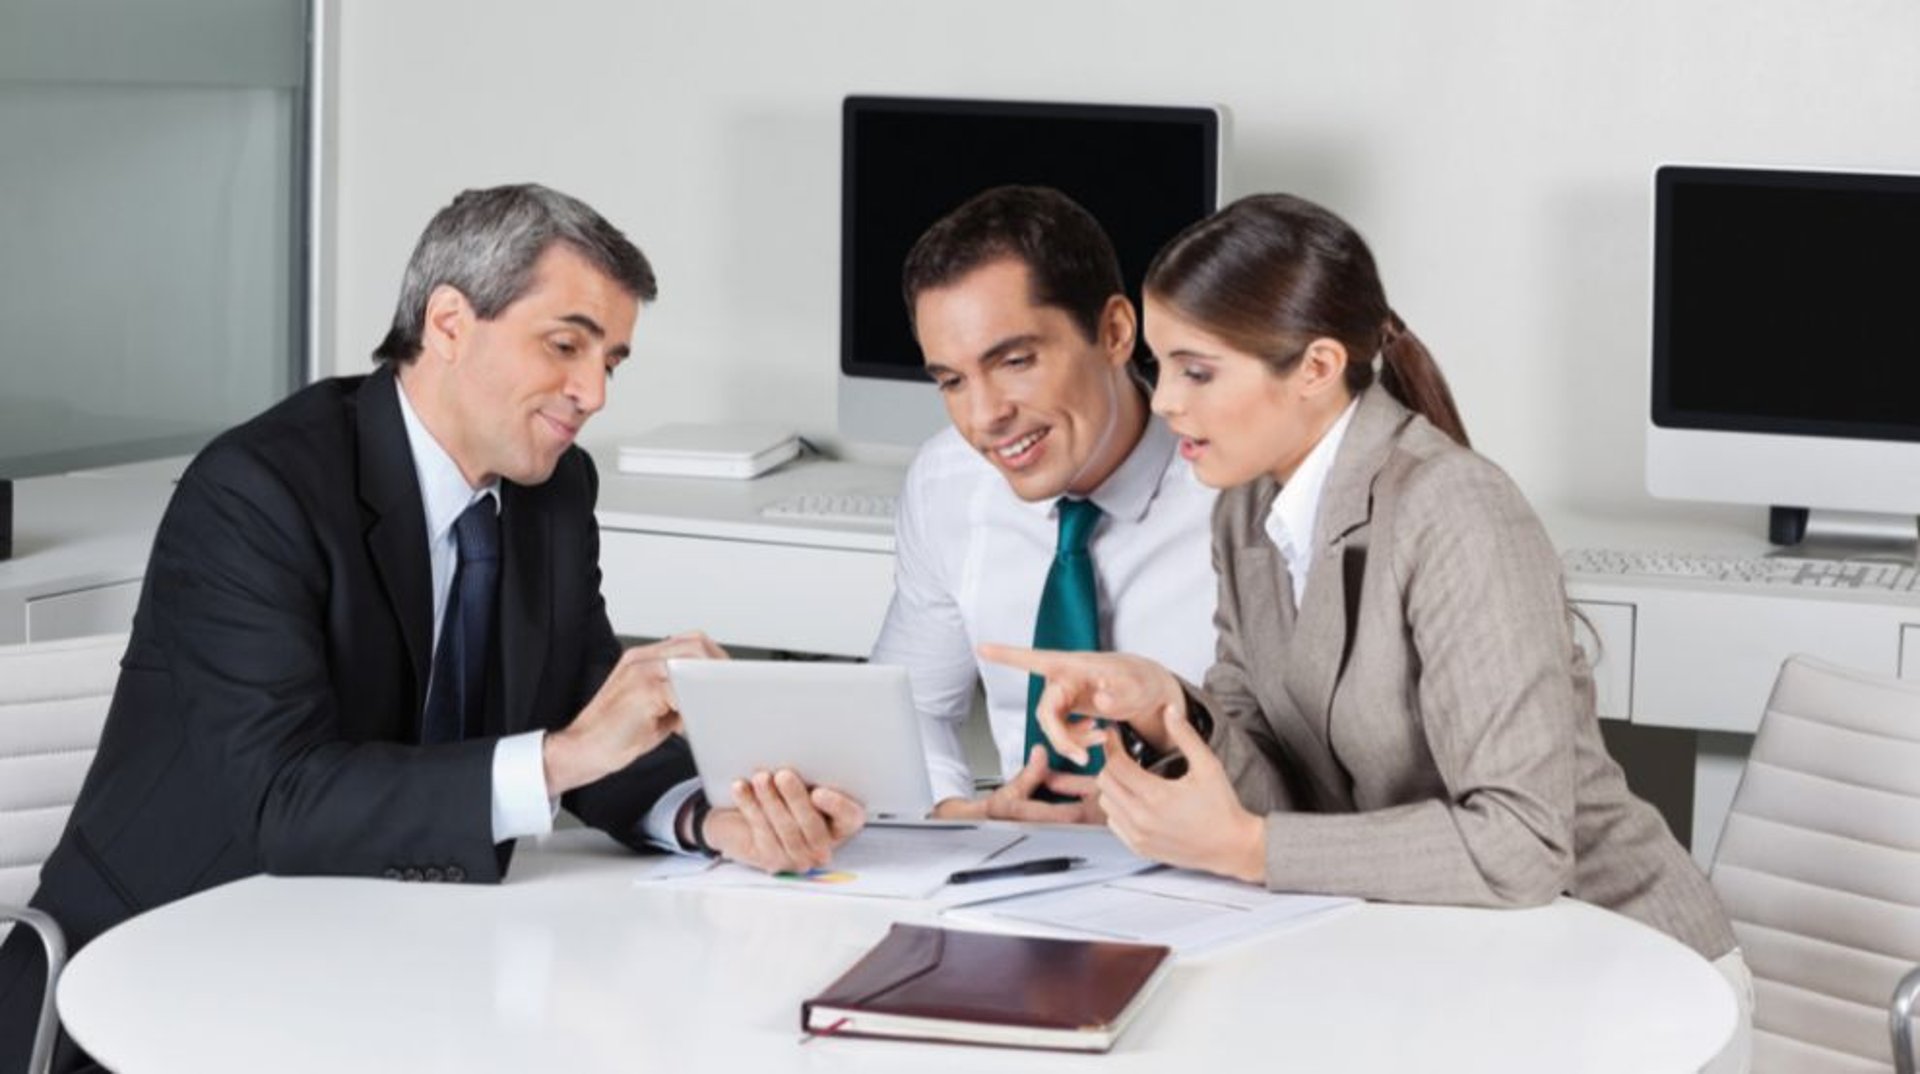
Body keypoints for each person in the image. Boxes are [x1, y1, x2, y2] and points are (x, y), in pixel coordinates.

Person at [0, 184, 859, 1074]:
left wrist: (709, 818)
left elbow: (583, 706)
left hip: (390, 968)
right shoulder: (259, 491)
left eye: (613, 362)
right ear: (450, 322)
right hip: (149, 987)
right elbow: (282, 802)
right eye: (566, 346)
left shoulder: (554, 493)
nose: (594, 392)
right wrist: (562, 755)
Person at [986, 193, 1752, 1070]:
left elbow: (1523, 843)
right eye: (1161, 369)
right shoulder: (1246, 504)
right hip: (1444, 963)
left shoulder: (1454, 511)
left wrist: (1248, 848)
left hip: (1624, 977)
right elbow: (1271, 755)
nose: (1164, 406)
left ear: (1315, 366)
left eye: (1198, 372)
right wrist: (1171, 712)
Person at [871, 185, 1218, 822]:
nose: (984, 416)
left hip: (1209, 871)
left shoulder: (1232, 487)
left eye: (1016, 361)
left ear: (1114, 332)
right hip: (1022, 874)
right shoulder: (948, 482)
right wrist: (955, 811)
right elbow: (909, 706)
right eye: (951, 381)